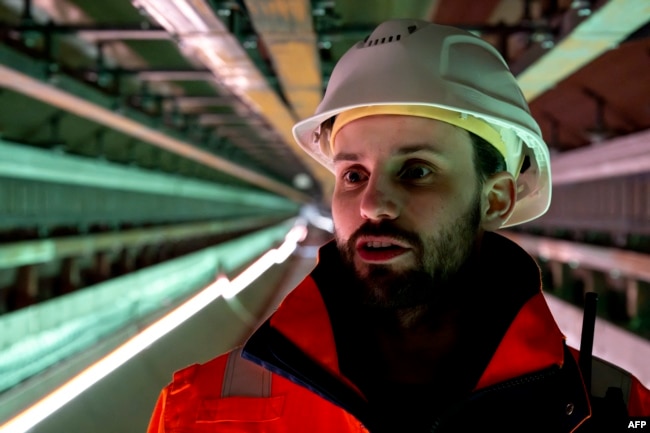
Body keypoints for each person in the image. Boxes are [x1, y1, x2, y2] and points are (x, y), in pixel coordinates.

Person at [147, 18, 650, 432]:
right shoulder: (197, 411)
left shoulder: (614, 414)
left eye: (417, 171)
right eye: (353, 175)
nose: (372, 205)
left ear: (496, 198)